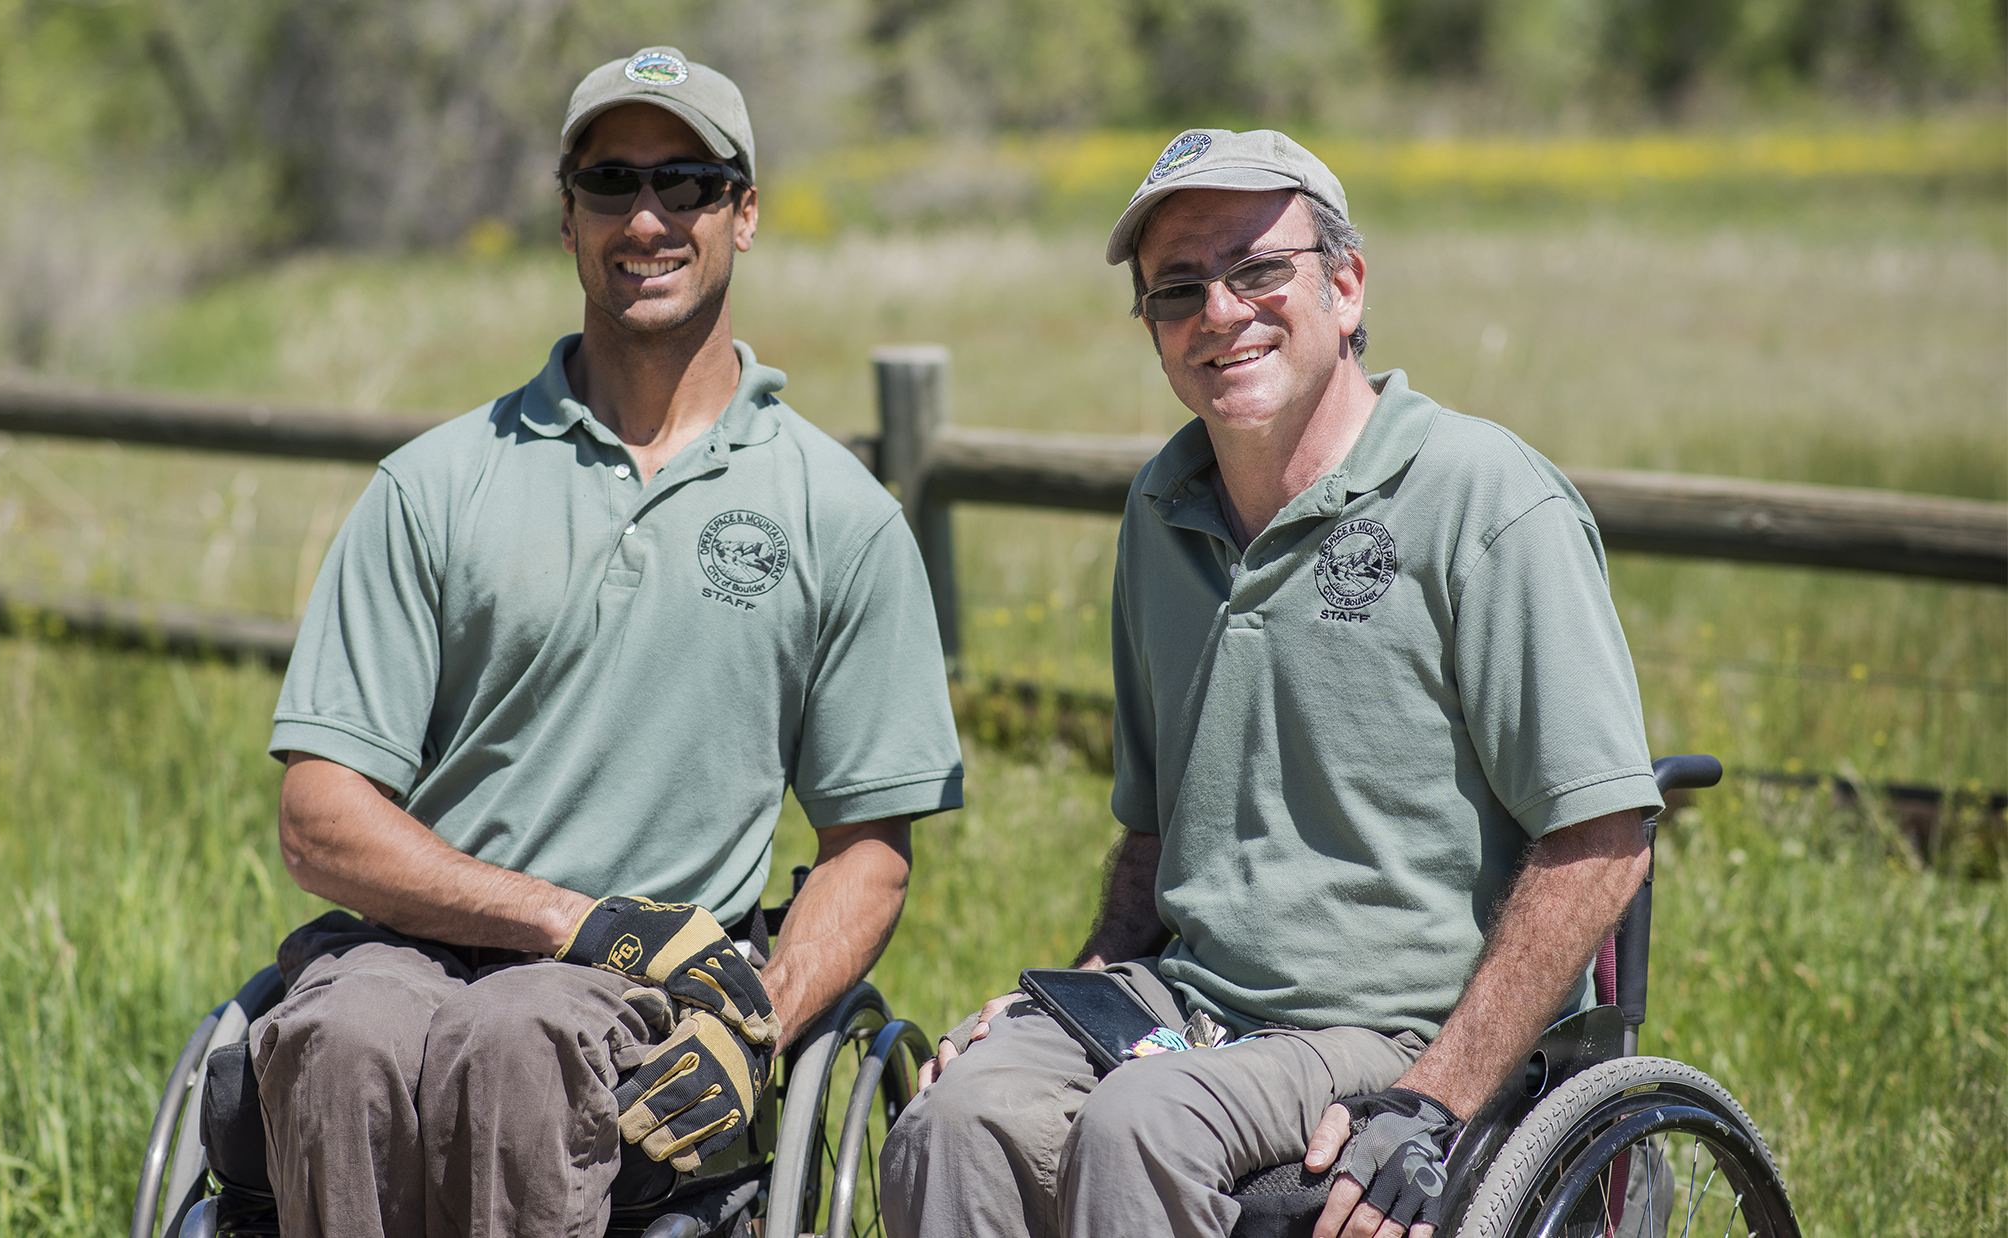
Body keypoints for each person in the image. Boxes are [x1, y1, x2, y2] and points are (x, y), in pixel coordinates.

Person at [879, 128, 1663, 1238]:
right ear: (1152, 331)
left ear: (1344, 285)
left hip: (1397, 1021)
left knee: (1139, 1123)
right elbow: (1154, 840)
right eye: (1178, 289)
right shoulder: (1161, 510)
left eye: (1258, 269)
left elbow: (1603, 840)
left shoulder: (1483, 498)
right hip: (1189, 1005)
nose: (1220, 311)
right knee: (955, 1113)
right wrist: (1070, 991)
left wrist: (1433, 1096)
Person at [248, 46, 963, 1238]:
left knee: (517, 1038)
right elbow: (320, 816)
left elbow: (869, 852)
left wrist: (762, 1021)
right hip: (419, 945)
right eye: (611, 183)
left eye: (686, 182)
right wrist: (566, 917)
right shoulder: (436, 486)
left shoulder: (837, 513)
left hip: (651, 983)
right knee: (335, 1035)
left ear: (744, 213)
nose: (647, 217)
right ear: (565, 218)